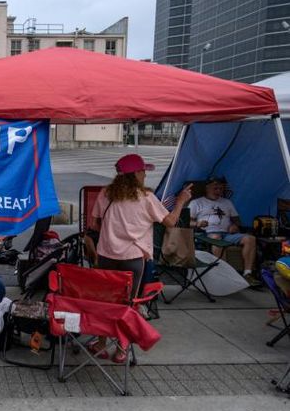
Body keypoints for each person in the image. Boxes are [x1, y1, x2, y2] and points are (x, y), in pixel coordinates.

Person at [90, 154, 192, 363]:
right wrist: (181, 200)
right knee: (128, 304)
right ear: (135, 173)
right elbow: (171, 222)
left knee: (106, 301)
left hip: (106, 256)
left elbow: (95, 223)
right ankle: (121, 348)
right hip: (132, 258)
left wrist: (112, 235)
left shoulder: (106, 193)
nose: (145, 174)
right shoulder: (146, 198)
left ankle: (101, 344)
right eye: (143, 171)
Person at [189, 176, 260, 287]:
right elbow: (187, 222)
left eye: (221, 189)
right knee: (216, 238)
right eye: (215, 188)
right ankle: (225, 274)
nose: (218, 191)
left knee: (250, 239)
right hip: (206, 234)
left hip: (227, 234)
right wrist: (197, 223)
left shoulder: (227, 203)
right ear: (207, 188)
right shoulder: (196, 203)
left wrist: (235, 226)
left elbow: (237, 221)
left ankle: (248, 274)